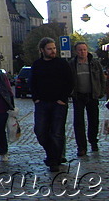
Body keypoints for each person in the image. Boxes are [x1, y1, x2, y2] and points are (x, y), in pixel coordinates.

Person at [30, 37, 73, 172]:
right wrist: (36, 98)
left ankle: (54, 159)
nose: (53, 51)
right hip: (42, 103)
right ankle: (53, 154)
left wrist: (63, 98)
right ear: (42, 50)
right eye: (49, 48)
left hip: (58, 103)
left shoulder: (62, 64)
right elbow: (32, 82)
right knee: (40, 131)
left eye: (54, 48)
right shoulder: (37, 65)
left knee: (57, 132)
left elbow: (69, 81)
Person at [69, 41, 105, 156]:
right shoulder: (72, 64)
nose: (82, 52)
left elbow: (101, 79)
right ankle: (81, 147)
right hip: (78, 96)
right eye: (80, 50)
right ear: (76, 51)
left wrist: (101, 92)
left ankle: (93, 142)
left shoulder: (94, 63)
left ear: (87, 50)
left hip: (92, 95)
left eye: (84, 49)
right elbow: (68, 79)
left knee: (94, 120)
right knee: (78, 122)